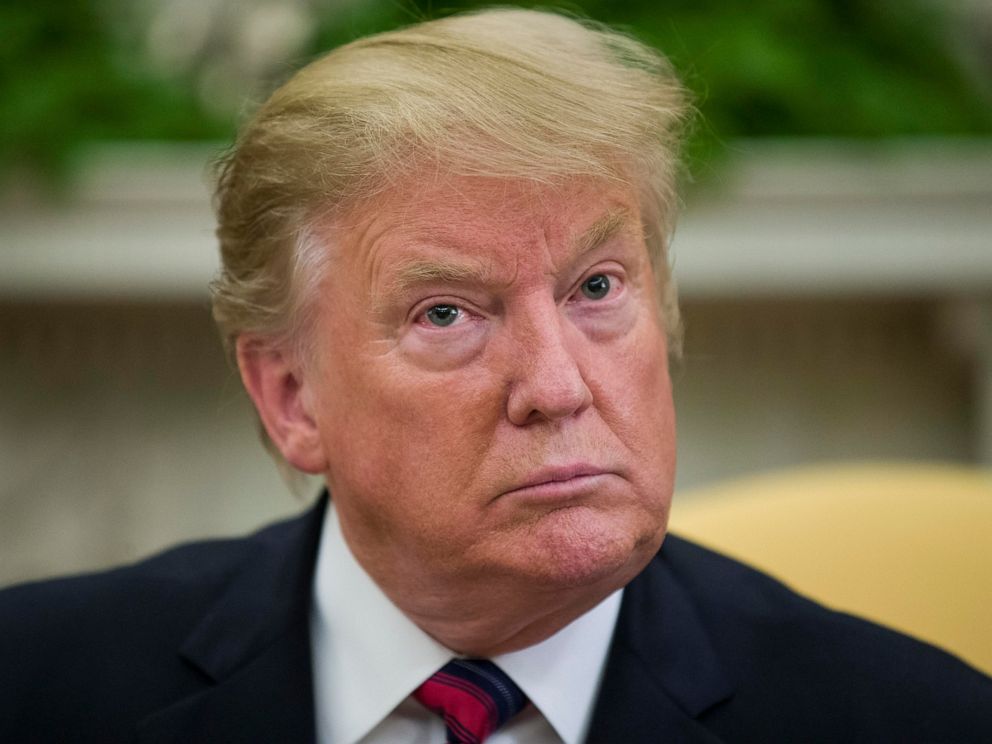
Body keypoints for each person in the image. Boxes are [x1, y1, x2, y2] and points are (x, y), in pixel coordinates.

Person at [1, 8, 990, 743]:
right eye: (446, 314)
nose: (556, 386)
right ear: (291, 397)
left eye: (596, 286)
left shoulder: (912, 722)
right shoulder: (36, 688)